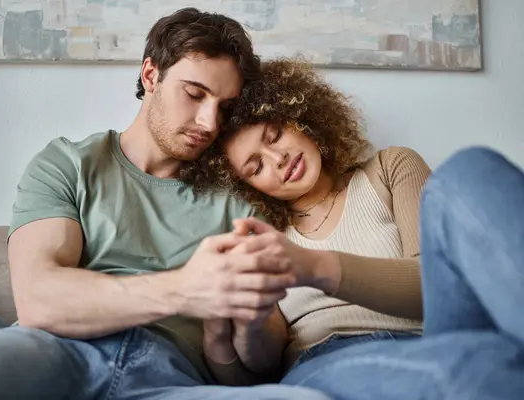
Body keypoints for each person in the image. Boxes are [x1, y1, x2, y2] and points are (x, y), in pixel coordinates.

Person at [0, 10, 330, 400]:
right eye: (194, 94)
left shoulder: (238, 200)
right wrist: (186, 289)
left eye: (224, 107)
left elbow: (264, 357)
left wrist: (249, 316)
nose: (209, 123)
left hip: (170, 376)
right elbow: (38, 300)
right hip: (54, 351)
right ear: (151, 74)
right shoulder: (69, 164)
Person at [183, 58, 524, 399]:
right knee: (480, 368)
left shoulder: (390, 169)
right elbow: (257, 371)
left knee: (469, 169)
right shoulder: (266, 236)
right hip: (330, 359)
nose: (278, 160)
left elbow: (436, 286)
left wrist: (313, 267)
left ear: (300, 118)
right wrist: (233, 326)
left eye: (275, 136)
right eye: (256, 168)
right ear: (248, 187)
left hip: (435, 336)